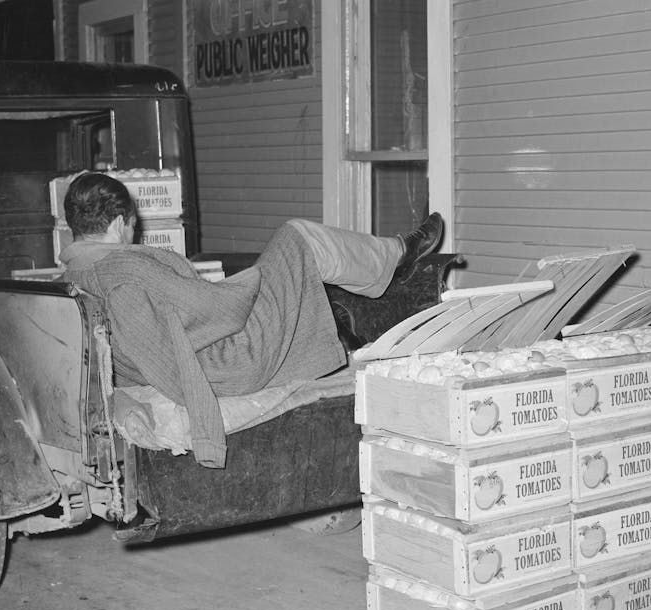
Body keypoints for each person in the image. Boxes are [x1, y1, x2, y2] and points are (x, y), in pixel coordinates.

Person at [60, 172, 444, 468]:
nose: (132, 234)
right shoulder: (124, 271)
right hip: (230, 363)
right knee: (297, 238)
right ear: (115, 224)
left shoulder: (73, 276)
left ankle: (337, 320)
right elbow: (214, 311)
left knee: (286, 271)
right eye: (130, 227)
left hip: (202, 358)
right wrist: (252, 281)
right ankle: (396, 255)